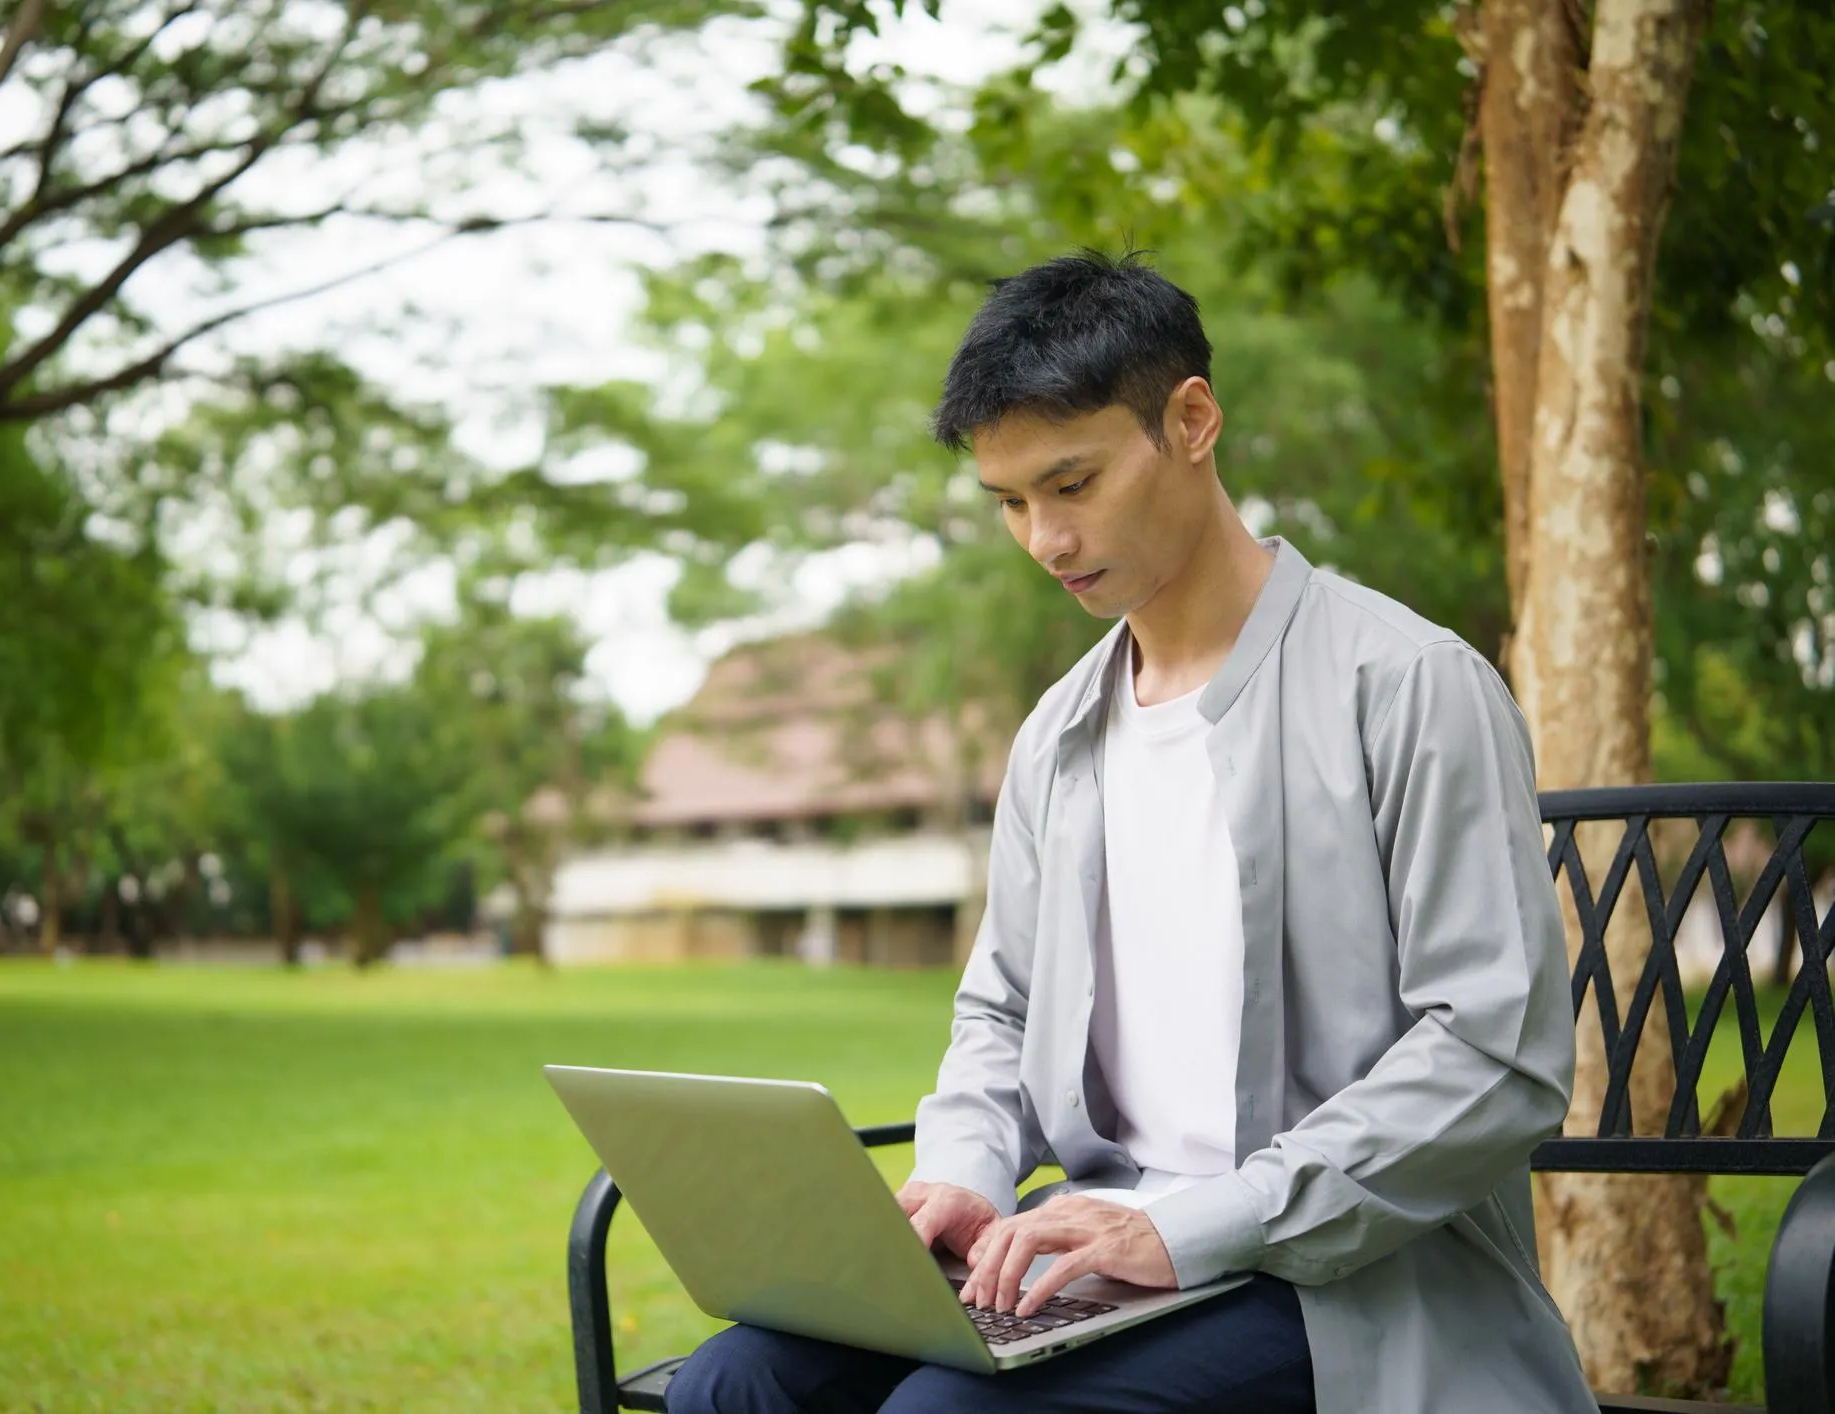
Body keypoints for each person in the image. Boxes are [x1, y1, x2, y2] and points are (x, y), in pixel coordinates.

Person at [664, 250, 1597, 1414]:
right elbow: (1000, 1007)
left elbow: (1494, 1055)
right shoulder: (1060, 733)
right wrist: (963, 1171)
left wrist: (1195, 1225)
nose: (1046, 540)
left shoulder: (1405, 686)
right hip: (1084, 1243)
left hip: (1338, 1273)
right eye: (1010, 502)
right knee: (735, 1380)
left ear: (1192, 420)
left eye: (1073, 483)